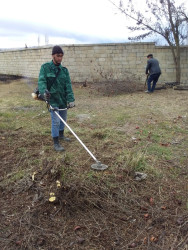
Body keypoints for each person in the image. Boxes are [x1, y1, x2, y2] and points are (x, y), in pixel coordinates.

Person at [38, 45, 75, 152]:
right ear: (53, 55)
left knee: (63, 119)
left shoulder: (64, 70)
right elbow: (41, 81)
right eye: (58, 56)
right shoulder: (45, 67)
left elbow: (68, 85)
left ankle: (61, 135)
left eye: (61, 56)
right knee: (56, 121)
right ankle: (56, 142)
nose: (60, 58)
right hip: (52, 99)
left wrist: (71, 99)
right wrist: (44, 91)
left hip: (62, 99)